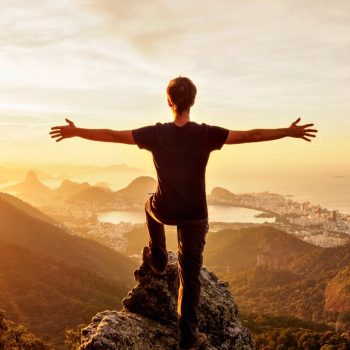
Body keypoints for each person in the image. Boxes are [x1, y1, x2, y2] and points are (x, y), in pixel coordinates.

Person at [49, 76, 318, 349]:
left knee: (148, 205)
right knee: (190, 274)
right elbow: (252, 135)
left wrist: (77, 131)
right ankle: (189, 335)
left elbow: (111, 135)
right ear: (193, 102)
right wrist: (287, 131)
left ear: (169, 102)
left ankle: (156, 259)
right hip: (194, 215)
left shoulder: (156, 133)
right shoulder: (206, 133)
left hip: (164, 209)